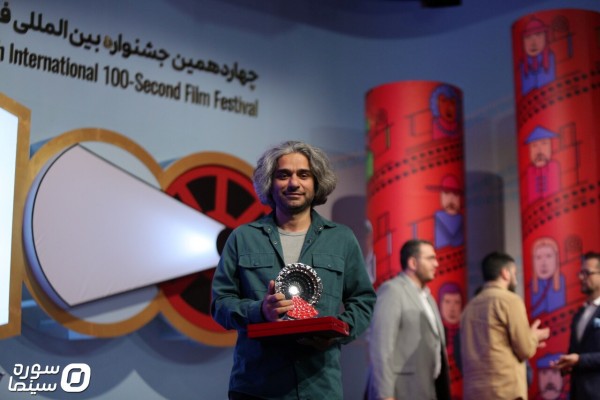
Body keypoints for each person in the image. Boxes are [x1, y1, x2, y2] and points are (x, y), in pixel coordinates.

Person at [211, 140, 376, 400]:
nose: (294, 183)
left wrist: (338, 331)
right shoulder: (243, 237)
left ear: (316, 182)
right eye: (283, 175)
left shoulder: (341, 238)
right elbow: (220, 303)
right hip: (256, 387)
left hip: (319, 388)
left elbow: (363, 300)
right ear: (270, 182)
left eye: (304, 175)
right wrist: (260, 311)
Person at [367, 239, 451, 400]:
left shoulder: (428, 297)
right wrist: (385, 394)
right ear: (413, 263)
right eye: (430, 258)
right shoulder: (392, 290)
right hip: (402, 390)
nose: (436, 264)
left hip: (428, 388)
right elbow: (381, 346)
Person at [460, 251, 550, 400]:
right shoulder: (510, 300)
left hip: (474, 393)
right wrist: (533, 336)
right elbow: (525, 349)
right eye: (514, 273)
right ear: (505, 273)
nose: (516, 278)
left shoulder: (468, 308)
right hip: (504, 392)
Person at [551, 251, 600, 399]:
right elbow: (576, 351)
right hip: (579, 392)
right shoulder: (580, 313)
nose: (581, 277)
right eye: (580, 273)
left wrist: (580, 360)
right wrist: (567, 364)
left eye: (587, 273)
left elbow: (580, 357)